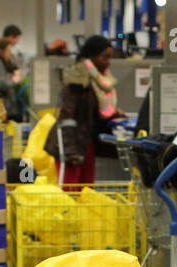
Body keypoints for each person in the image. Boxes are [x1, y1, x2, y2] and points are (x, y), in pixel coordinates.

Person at [44, 35, 124, 187]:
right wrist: (71, 153)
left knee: (86, 192)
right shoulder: (77, 80)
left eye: (110, 58)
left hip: (87, 144)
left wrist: (113, 114)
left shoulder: (99, 81)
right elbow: (67, 117)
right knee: (70, 193)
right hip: (72, 146)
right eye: (105, 57)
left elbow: (93, 113)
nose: (108, 62)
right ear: (92, 56)